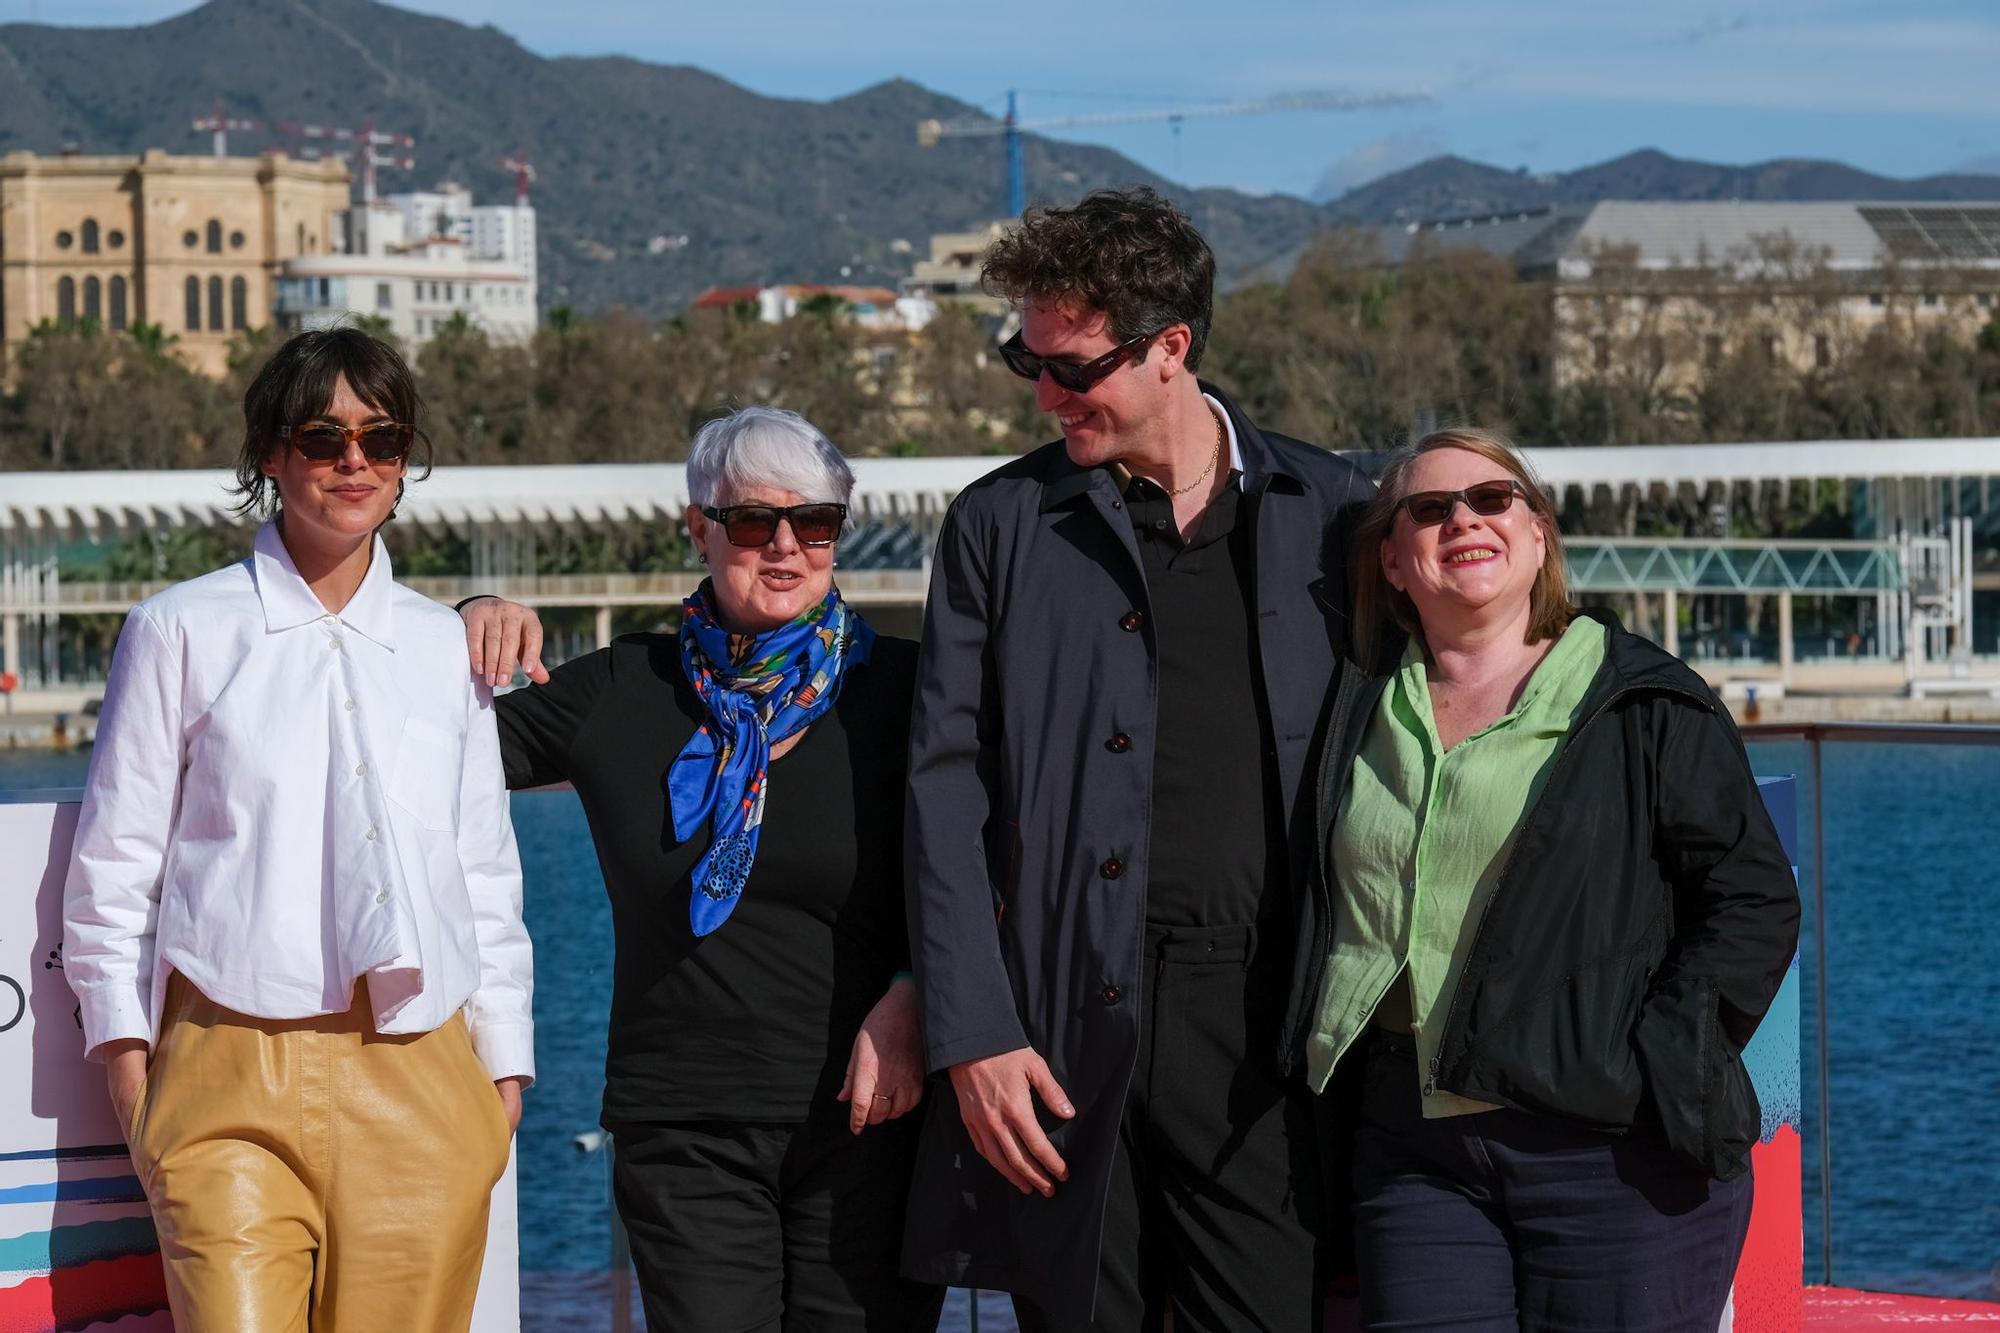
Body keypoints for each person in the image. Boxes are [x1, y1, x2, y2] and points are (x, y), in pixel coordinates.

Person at [901, 186, 1374, 1330]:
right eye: (1030, 360)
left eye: (1076, 367)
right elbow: (941, 785)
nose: (1046, 392)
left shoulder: (1332, 509)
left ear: (1171, 348)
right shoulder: (996, 524)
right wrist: (972, 1032)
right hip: (1060, 1024)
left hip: (1267, 1028)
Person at [63, 327, 532, 1332]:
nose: (355, 461)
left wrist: (501, 1077)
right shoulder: (179, 628)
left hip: (422, 1074)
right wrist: (126, 1057)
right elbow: (117, 861)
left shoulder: (445, 645)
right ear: (272, 454)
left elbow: (483, 870)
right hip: (224, 1073)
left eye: (383, 437)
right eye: (323, 438)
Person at [1284, 427, 1800, 1330]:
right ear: (1394, 559)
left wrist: (1658, 1056)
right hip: (1415, 1152)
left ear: (1538, 537)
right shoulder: (1352, 712)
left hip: (1611, 1151)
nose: (1464, 521)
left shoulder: (1641, 700)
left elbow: (1750, 899)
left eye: (1492, 500)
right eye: (1431, 509)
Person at [460, 406, 943, 1332]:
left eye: (817, 523)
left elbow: (1004, 857)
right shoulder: (617, 692)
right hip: (683, 1131)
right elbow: (417, 743)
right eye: (755, 522)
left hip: (875, 1115)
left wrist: (920, 989)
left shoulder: (912, 693)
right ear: (699, 527)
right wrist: (459, 631)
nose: (787, 547)